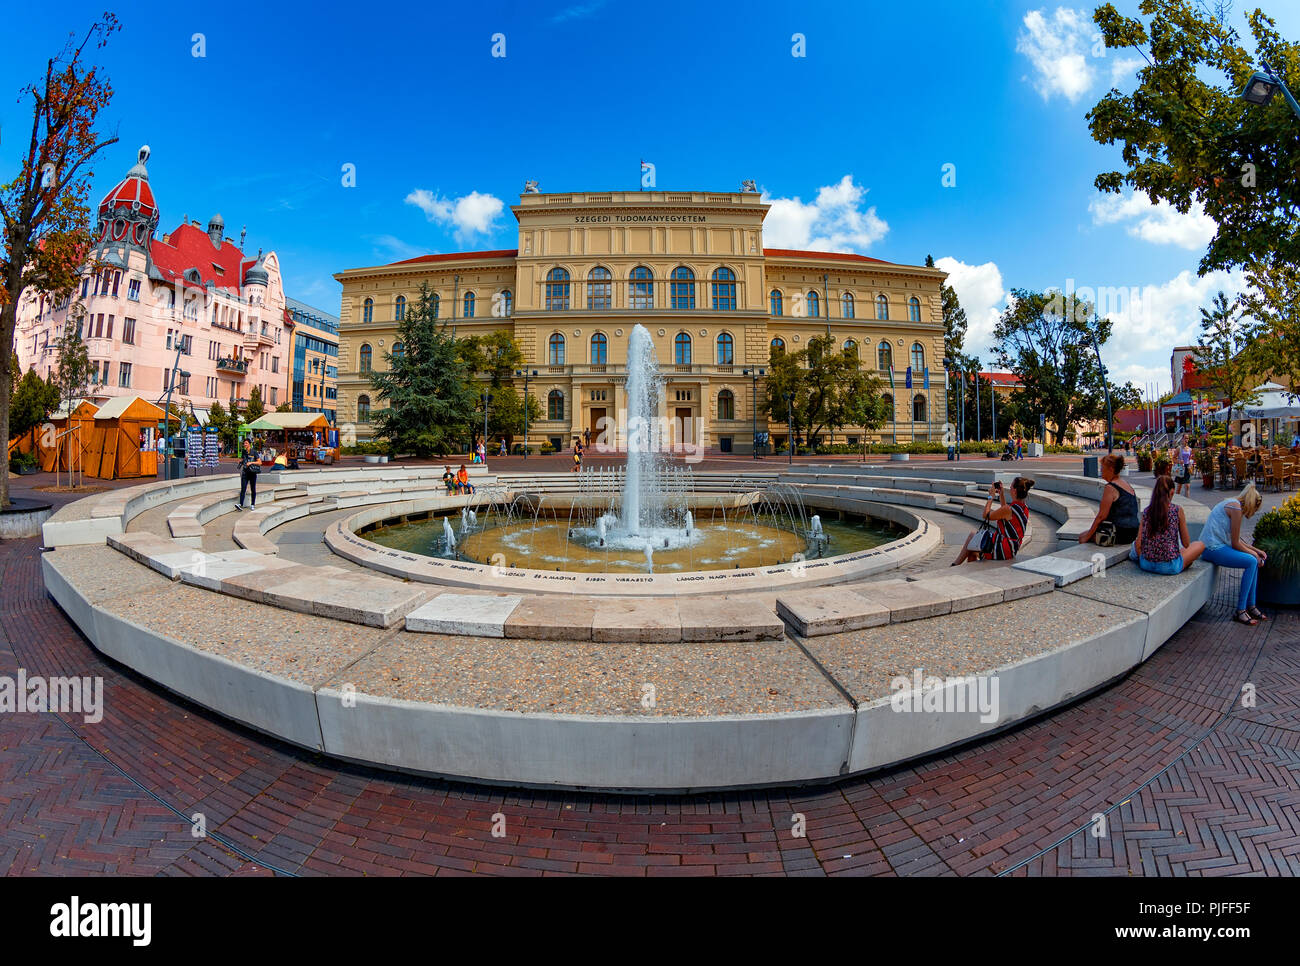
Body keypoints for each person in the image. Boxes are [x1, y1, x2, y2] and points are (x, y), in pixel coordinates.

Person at [1200, 484, 1268, 626]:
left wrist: (1256, 551)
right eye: (1255, 509)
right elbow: (1236, 543)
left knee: (1252, 560)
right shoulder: (1235, 508)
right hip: (1211, 548)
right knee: (1251, 562)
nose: (1253, 513)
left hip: (1214, 546)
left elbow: (1236, 541)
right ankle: (1241, 610)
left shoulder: (1233, 503)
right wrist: (1254, 555)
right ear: (1251, 504)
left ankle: (1251, 605)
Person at [1128, 475, 1204, 575]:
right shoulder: (1177, 510)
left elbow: (1139, 543)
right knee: (1200, 545)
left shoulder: (1147, 511)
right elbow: (1186, 544)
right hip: (1169, 567)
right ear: (1172, 492)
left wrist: (1145, 559)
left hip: (1146, 564)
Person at [952, 476, 1033, 565]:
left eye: (1011, 487)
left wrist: (990, 497)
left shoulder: (1009, 509)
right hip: (1012, 547)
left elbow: (986, 515)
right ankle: (961, 568)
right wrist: (1001, 494)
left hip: (1003, 549)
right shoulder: (1024, 508)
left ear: (1015, 490)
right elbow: (1006, 514)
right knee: (972, 550)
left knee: (972, 536)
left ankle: (955, 565)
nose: (1009, 489)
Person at [1079, 454, 1140, 546]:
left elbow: (1101, 516)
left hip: (1119, 533)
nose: (1101, 471)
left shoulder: (1110, 488)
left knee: (1081, 536)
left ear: (1110, 469)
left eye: (1103, 468)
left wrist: (1087, 536)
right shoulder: (1126, 484)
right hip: (1133, 532)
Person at [236, 437, 259, 509]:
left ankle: (252, 504)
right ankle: (240, 504)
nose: (244, 444)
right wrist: (240, 461)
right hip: (245, 472)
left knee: (253, 489)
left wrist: (251, 462)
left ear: (249, 444)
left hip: (252, 472)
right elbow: (244, 460)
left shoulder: (254, 452)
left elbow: (259, 462)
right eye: (244, 443)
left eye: (246, 443)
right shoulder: (244, 452)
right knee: (243, 488)